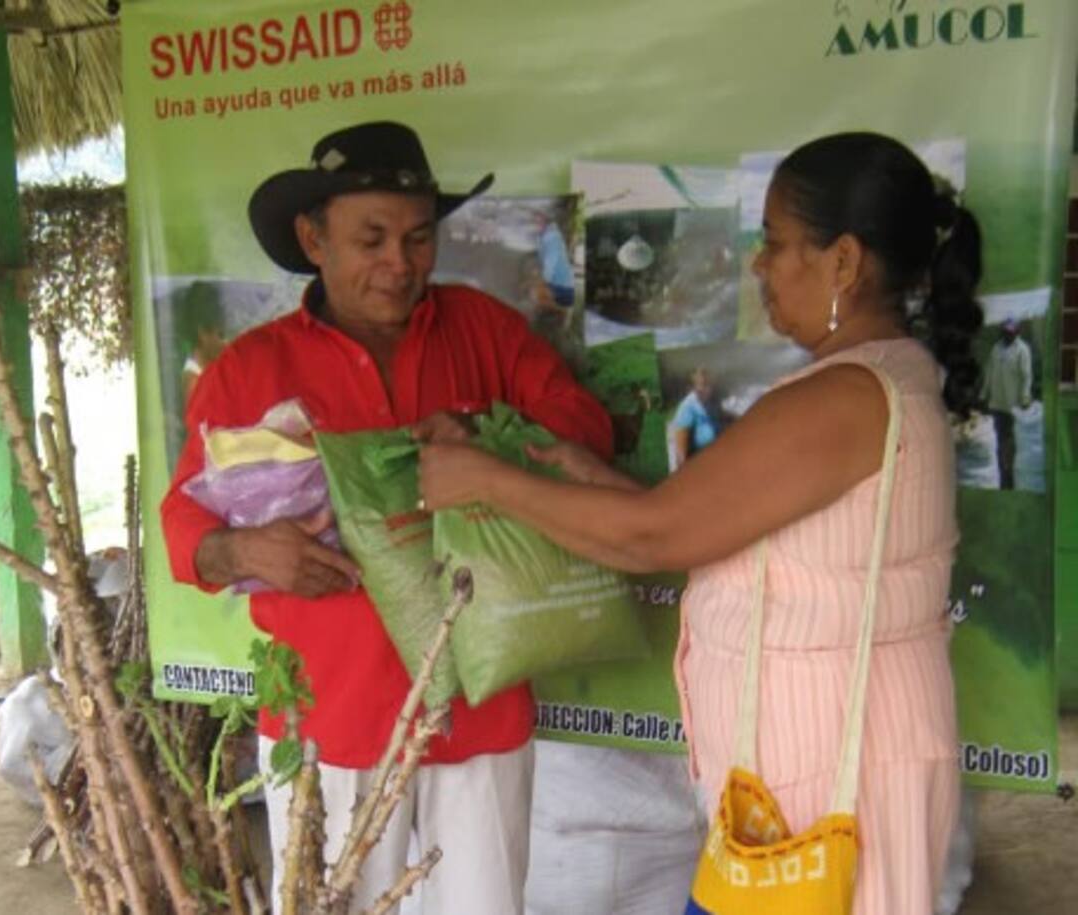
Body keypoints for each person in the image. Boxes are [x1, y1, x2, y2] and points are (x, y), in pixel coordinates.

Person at [420, 131, 984, 915]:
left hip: (823, 779)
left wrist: (485, 478)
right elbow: (716, 534)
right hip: (818, 771)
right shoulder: (878, 380)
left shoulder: (842, 398)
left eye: (777, 242)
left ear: (845, 263)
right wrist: (587, 476)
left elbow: (655, 536)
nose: (759, 263)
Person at [160, 121, 611, 915]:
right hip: (325, 719)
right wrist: (247, 549)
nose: (399, 263)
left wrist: (488, 438)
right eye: (371, 237)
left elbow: (586, 429)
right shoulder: (250, 370)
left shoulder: (484, 332)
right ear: (313, 237)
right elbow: (181, 527)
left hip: (479, 704)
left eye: (417, 237)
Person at [980, 317, 1032, 489]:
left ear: (1016, 332)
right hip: (996, 402)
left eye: (1011, 332)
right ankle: (1000, 471)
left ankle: (1010, 474)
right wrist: (984, 393)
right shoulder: (997, 348)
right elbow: (989, 372)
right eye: (1005, 332)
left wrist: (1025, 396)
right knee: (997, 438)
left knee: (1010, 439)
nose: (1007, 335)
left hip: (1012, 404)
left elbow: (1026, 376)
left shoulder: (1022, 350)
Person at [669, 367, 717, 469]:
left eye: (709, 384)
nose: (706, 389)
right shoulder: (687, 408)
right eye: (702, 385)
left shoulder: (708, 404)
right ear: (692, 388)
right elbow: (681, 455)